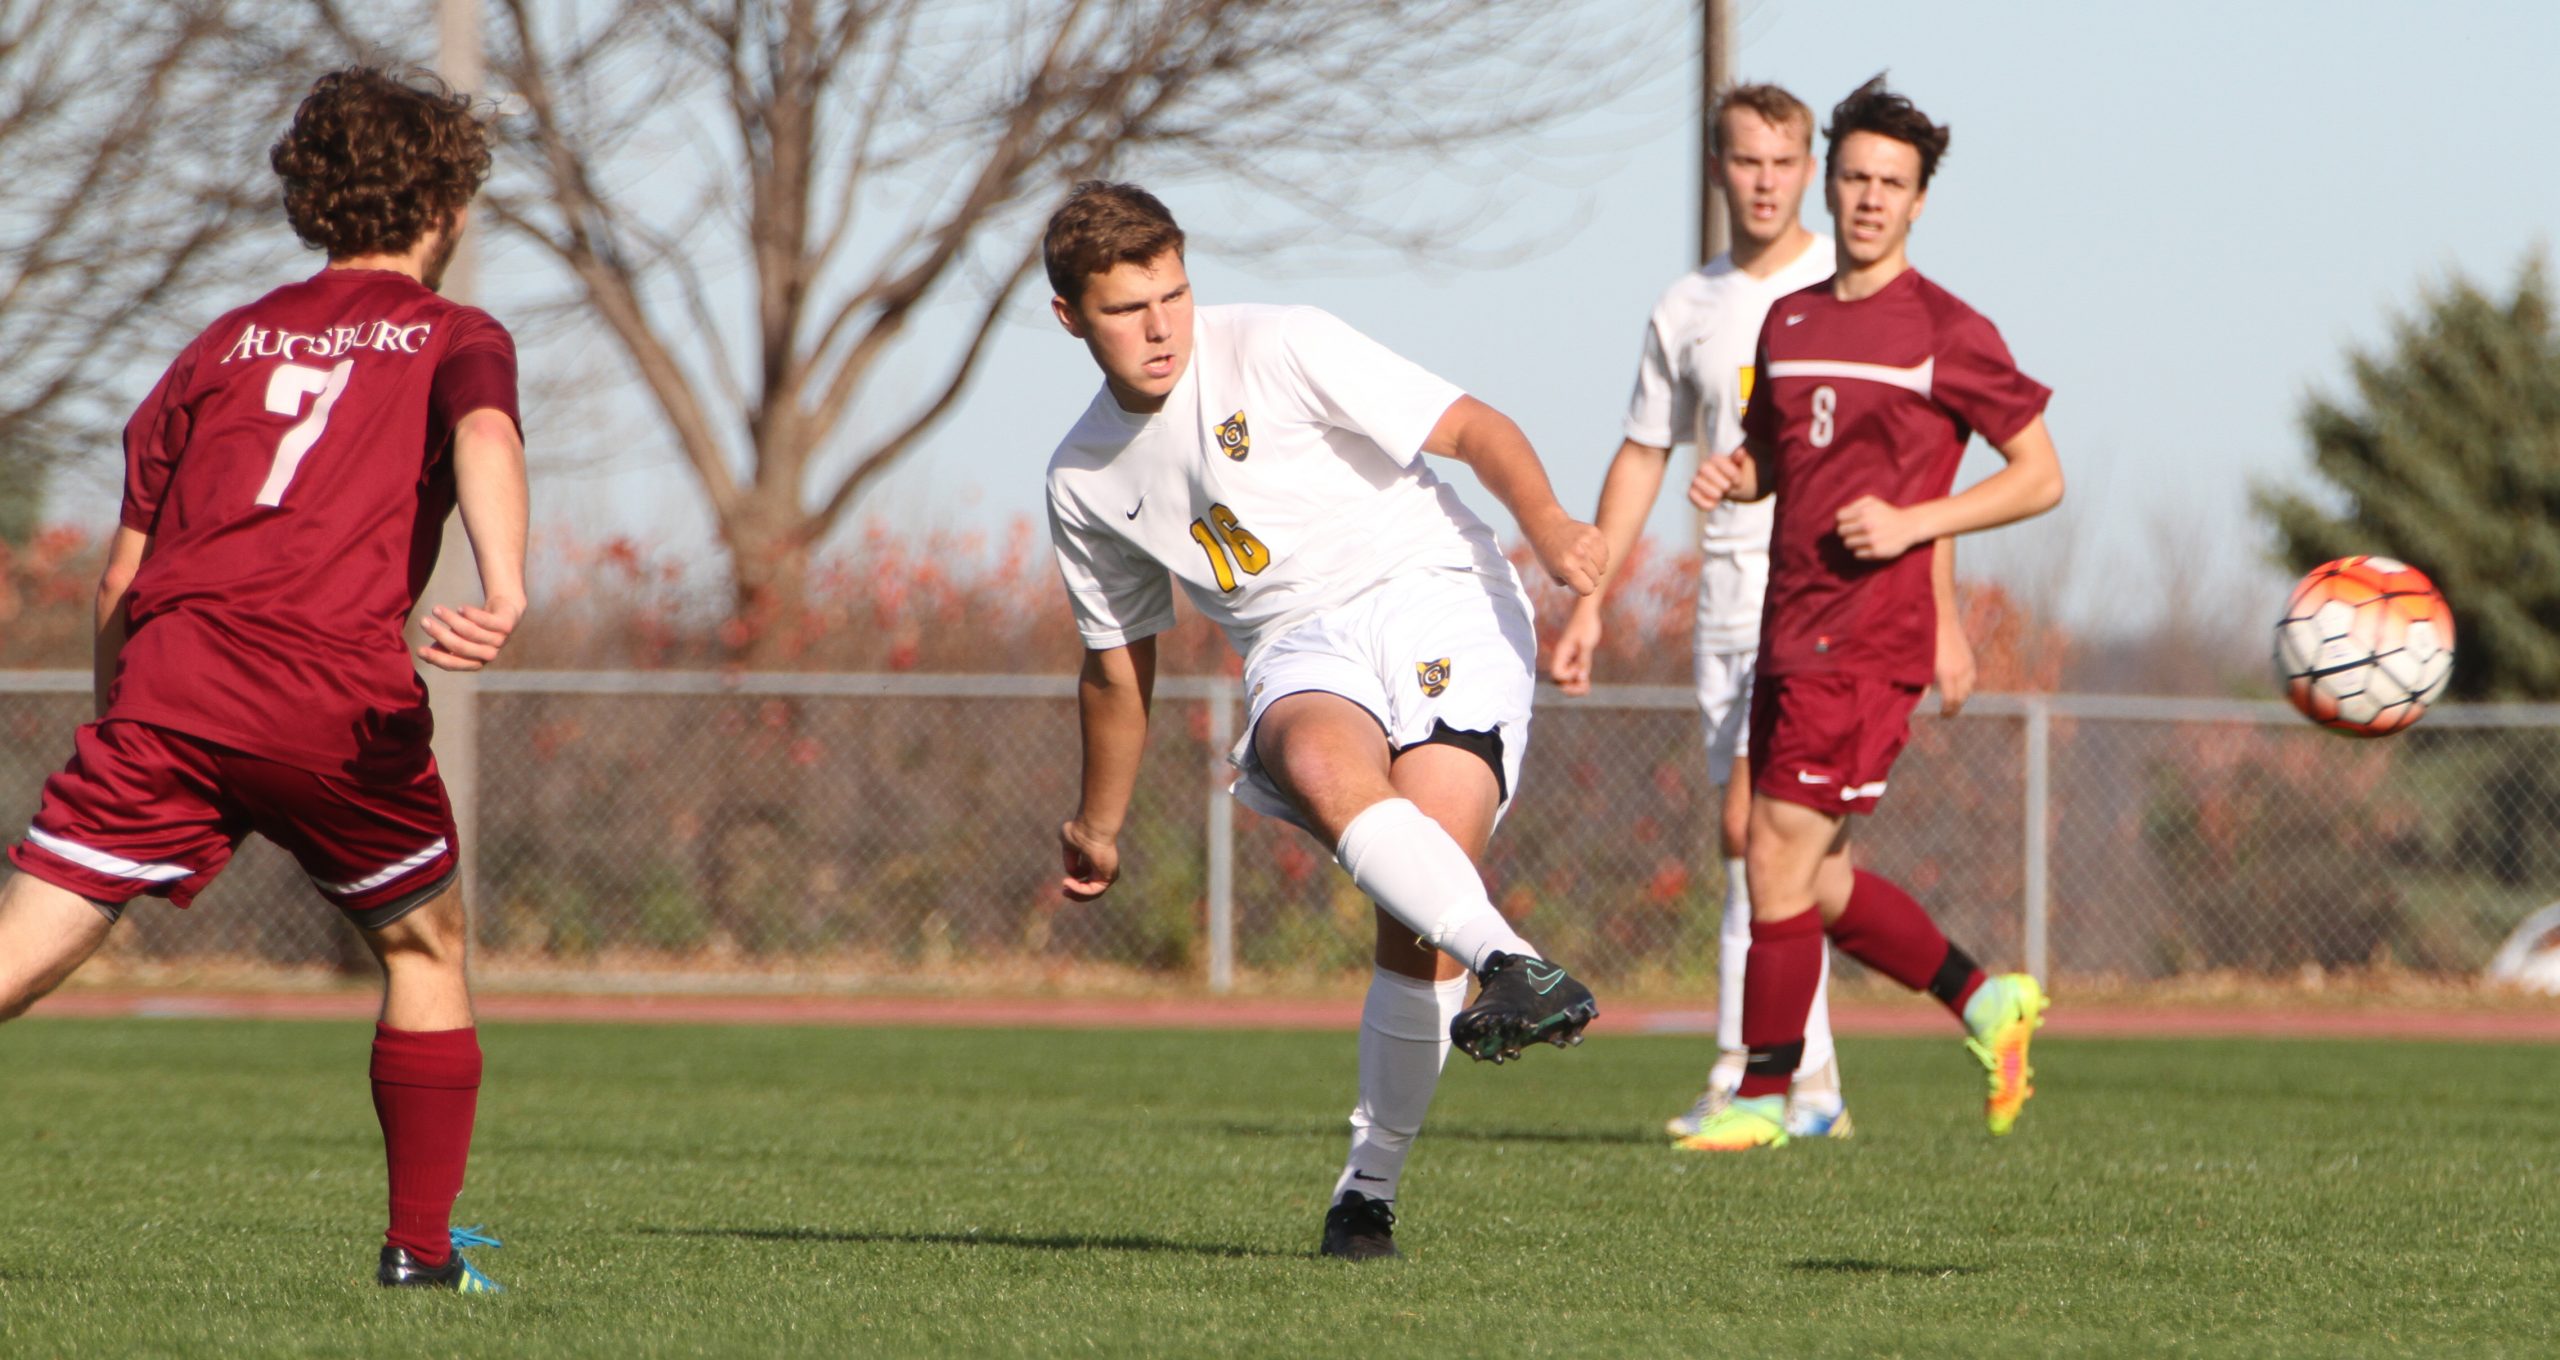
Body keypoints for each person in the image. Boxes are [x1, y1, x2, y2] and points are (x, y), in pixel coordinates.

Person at [0, 68, 527, 1286]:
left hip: (172, 686)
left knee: (20, 954)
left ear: (310, 199)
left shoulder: (219, 345)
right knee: (423, 948)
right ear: (445, 203)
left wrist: (124, 724)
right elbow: (485, 435)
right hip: (328, 698)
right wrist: (502, 588)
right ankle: (419, 1251)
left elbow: (119, 581)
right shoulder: (458, 335)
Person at [1041, 182, 1604, 1260]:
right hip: (1299, 642)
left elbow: (1474, 426)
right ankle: (1513, 963)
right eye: (1126, 309)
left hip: (1437, 587)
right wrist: (1098, 823)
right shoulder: (1081, 477)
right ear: (1070, 316)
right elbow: (1116, 670)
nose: (1162, 327)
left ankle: (1366, 1186)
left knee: (1419, 904)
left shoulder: (1281, 343)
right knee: (1313, 756)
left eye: (1174, 293)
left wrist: (1549, 524)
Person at [1677, 76, 2062, 1152]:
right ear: (1829, 182)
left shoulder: (1945, 329)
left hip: (1869, 637)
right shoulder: (1788, 318)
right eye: (1853, 177)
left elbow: (2038, 476)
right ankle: (1984, 999)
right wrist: (1735, 474)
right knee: (1816, 874)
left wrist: (1914, 524)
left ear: (1919, 200)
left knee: (1771, 851)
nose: (1869, 199)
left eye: (1892, 183)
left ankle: (1763, 1092)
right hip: (1786, 627)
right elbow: (1775, 456)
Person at [1551, 81, 1921, 1143]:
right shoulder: (1686, 307)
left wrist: (1933, 606)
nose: (1763, 180)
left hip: (1828, 592)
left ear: (1811, 169)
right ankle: (1813, 1085)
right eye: (1743, 160)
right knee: (1776, 850)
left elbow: (1912, 459)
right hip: (1726, 595)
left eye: (1782, 161)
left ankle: (1749, 1075)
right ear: (1716, 168)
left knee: (1755, 833)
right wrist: (1590, 597)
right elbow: (1641, 452)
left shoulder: (1846, 286)